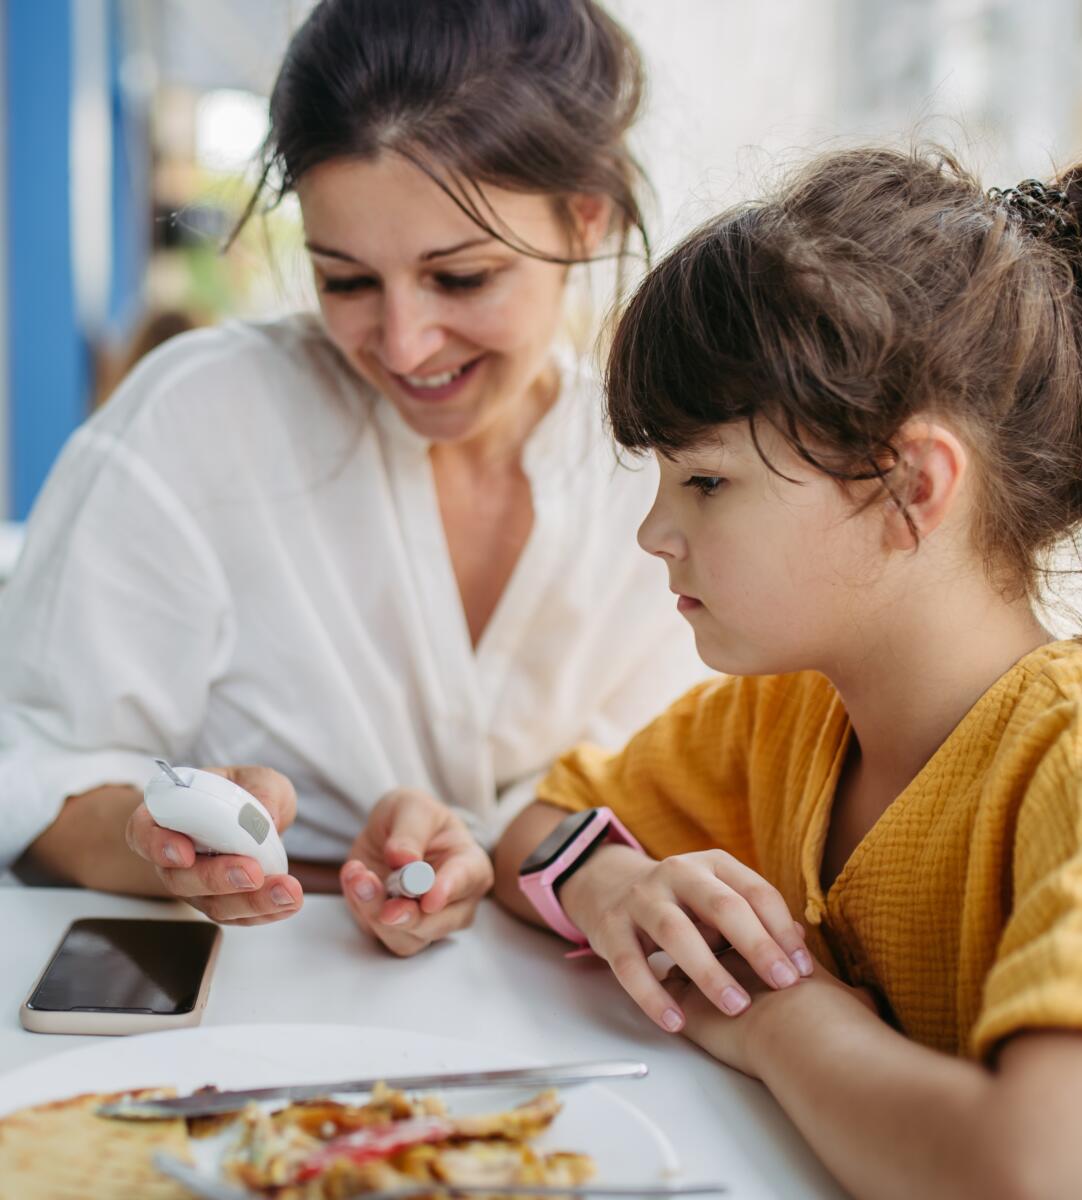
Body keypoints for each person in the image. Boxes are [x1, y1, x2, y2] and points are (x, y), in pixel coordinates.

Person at [493, 147, 1082, 1196]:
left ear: (909, 485)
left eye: (706, 480)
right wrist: (615, 885)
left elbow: (1076, 1175)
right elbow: (535, 823)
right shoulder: (782, 719)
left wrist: (785, 1021)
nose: (655, 532)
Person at [0, 0, 705, 957]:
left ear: (585, 220)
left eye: (461, 278)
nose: (406, 345)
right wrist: (159, 844)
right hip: (262, 1035)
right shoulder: (199, 421)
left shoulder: (666, 476)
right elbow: (34, 775)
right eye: (347, 280)